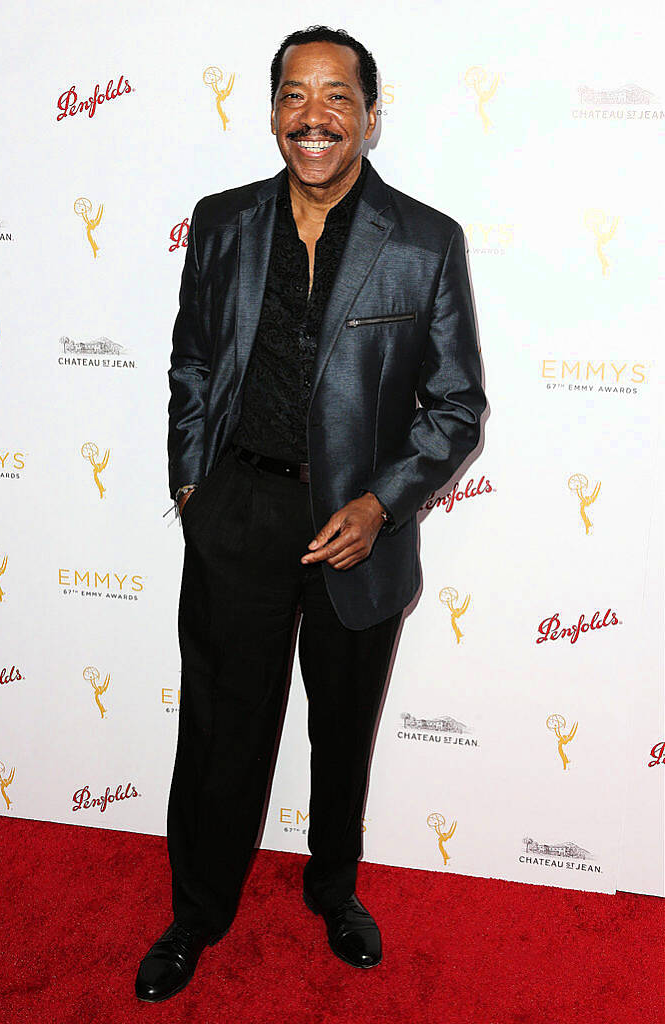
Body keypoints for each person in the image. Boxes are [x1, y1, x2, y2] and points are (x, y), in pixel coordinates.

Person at [135, 24, 487, 1002]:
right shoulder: (222, 222)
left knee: (342, 727)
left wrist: (383, 502)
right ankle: (195, 913)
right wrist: (191, 485)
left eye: (337, 96)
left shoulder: (423, 241)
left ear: (369, 117)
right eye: (295, 95)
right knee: (218, 733)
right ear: (273, 111)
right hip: (238, 508)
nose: (314, 116)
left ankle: (332, 889)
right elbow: (193, 363)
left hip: (354, 527)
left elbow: (457, 405)